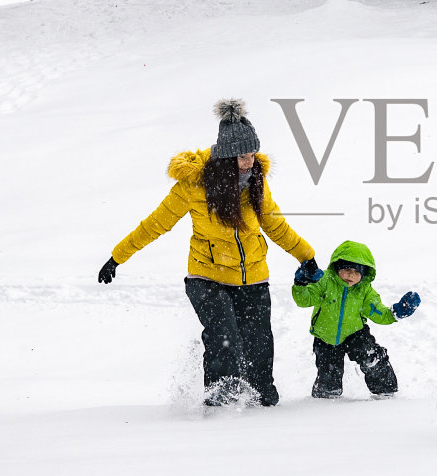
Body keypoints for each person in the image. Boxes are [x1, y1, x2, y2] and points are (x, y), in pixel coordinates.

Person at [97, 99, 316, 407]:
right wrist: (117, 257)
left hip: (252, 276)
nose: (249, 161)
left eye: (253, 153)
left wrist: (307, 256)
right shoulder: (194, 185)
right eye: (243, 155)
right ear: (227, 157)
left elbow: (275, 224)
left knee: (258, 345)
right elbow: (155, 224)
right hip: (207, 276)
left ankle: (260, 400)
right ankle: (219, 400)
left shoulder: (256, 181)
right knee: (225, 338)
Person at [291, 240, 420, 399]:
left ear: (364, 273)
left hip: (355, 333)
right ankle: (325, 398)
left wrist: (396, 313)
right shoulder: (324, 282)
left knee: (370, 355)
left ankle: (385, 390)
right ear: (337, 267)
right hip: (325, 337)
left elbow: (378, 312)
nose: (351, 274)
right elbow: (303, 300)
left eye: (356, 271)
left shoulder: (364, 291)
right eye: (346, 269)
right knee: (328, 372)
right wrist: (300, 284)